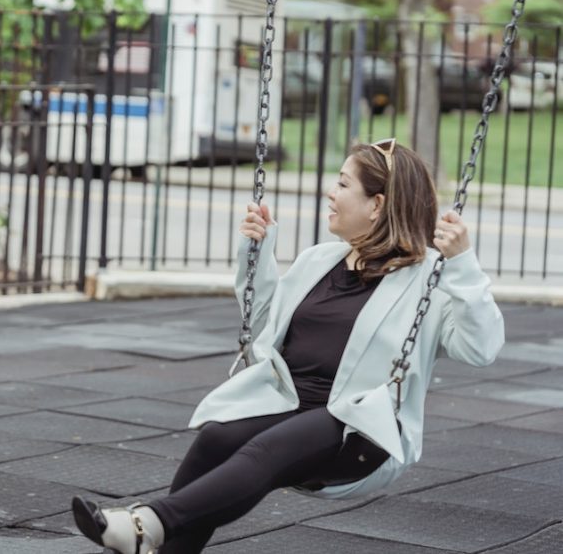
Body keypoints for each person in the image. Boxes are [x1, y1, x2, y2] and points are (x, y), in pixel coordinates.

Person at [71, 139, 505, 554]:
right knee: (216, 439)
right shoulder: (319, 260)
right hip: (288, 406)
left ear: (376, 205)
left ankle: (145, 524)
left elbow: (481, 347)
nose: (329, 192)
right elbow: (262, 328)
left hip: (357, 428)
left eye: (342, 184)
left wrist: (463, 267)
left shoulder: (429, 278)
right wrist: (256, 252)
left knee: (266, 450)